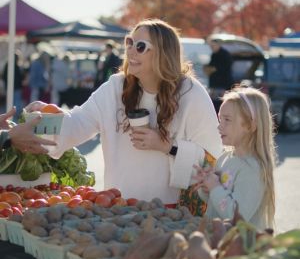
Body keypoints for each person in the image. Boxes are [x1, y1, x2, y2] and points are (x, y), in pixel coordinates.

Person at [26, 19, 222, 207]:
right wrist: (47, 117)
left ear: (164, 53)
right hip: (118, 208)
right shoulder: (115, 87)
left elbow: (211, 158)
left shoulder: (190, 93)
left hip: (171, 213)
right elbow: (78, 122)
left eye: (140, 46)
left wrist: (167, 146)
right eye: (129, 43)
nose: (130, 50)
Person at [193, 86, 276, 230]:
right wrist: (206, 188)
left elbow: (237, 217)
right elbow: (217, 202)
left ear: (250, 125)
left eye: (227, 120)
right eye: (220, 119)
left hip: (241, 248)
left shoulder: (252, 170)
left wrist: (215, 187)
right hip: (221, 241)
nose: (219, 127)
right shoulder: (225, 158)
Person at [203, 39, 234, 113]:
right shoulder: (214, 55)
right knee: (214, 105)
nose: (212, 48)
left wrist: (211, 69)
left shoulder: (225, 55)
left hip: (223, 85)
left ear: (218, 45)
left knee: (220, 105)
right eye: (211, 46)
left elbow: (220, 68)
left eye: (213, 46)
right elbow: (210, 67)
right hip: (214, 85)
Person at [2, 52, 24, 120]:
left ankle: (10, 117)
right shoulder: (17, 66)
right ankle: (15, 118)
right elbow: (21, 77)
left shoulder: (7, 65)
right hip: (16, 88)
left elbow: (3, 76)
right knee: (16, 104)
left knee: (10, 103)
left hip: (10, 88)